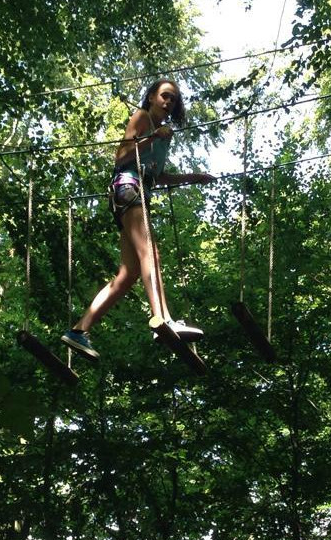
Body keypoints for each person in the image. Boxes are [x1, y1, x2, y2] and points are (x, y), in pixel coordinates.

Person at [61, 79, 215, 361]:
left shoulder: (165, 135)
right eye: (165, 96)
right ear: (152, 97)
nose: (169, 102)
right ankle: (163, 319)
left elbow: (158, 176)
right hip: (127, 187)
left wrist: (194, 177)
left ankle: (79, 331)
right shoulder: (142, 117)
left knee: (129, 274)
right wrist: (152, 137)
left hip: (138, 191)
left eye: (173, 99)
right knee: (150, 253)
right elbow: (121, 158)